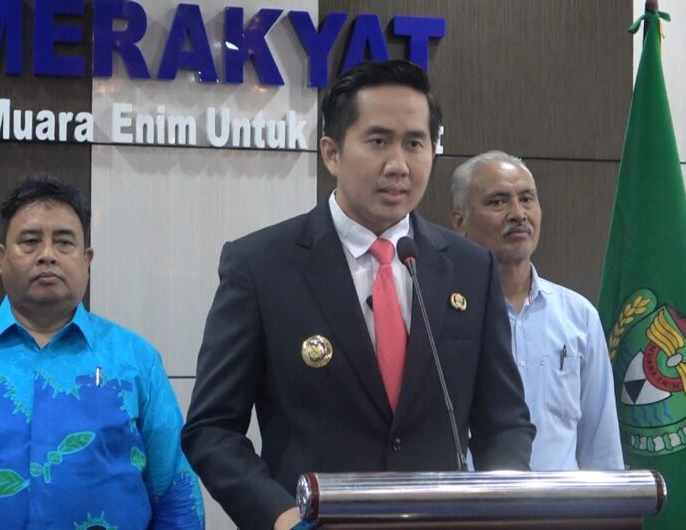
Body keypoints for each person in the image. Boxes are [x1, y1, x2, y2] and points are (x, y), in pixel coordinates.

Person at [182, 60, 535, 530]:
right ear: (332, 153)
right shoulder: (261, 265)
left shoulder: (472, 268)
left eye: (415, 143)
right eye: (378, 141)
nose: (399, 165)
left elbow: (504, 422)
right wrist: (280, 515)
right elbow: (211, 429)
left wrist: (498, 508)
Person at [0, 174, 205, 529]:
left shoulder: (135, 360)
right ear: (1, 257)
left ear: (87, 259)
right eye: (30, 242)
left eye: (64, 242)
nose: (47, 255)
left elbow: (175, 493)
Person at [450, 150, 624, 471]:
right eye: (498, 201)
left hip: (563, 502)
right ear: (460, 222)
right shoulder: (443, 315)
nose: (518, 214)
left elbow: (601, 448)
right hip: (474, 498)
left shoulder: (579, 316)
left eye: (527, 199)